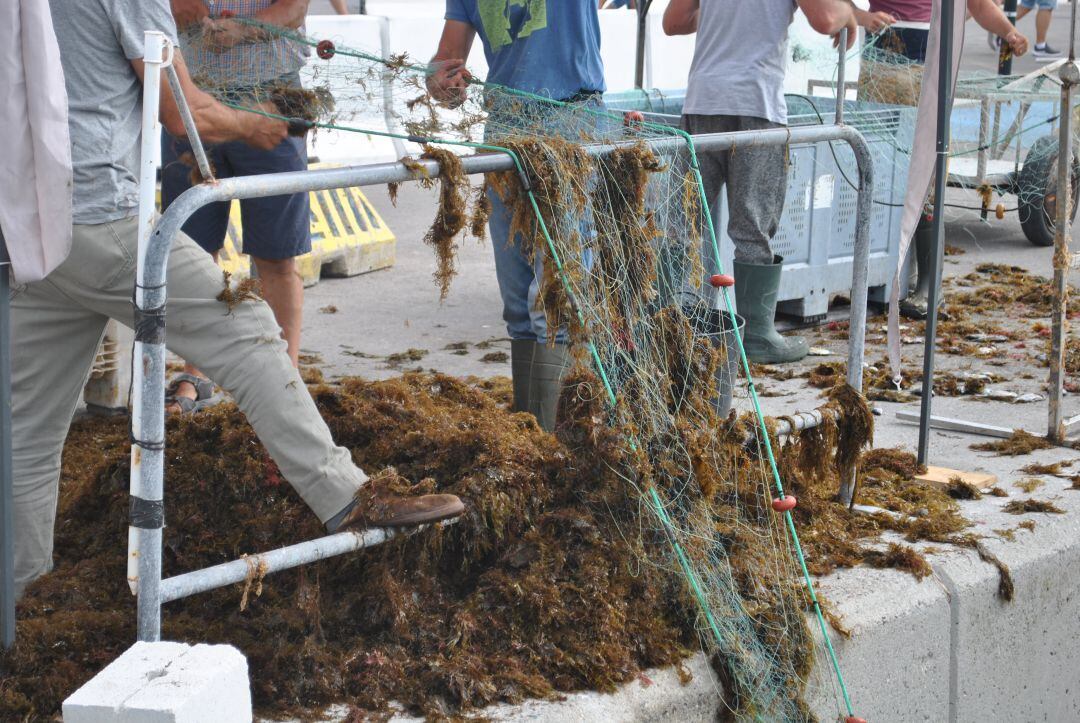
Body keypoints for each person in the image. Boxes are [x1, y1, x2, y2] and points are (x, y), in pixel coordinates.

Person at [12, 0, 463, 599]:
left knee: (25, 432)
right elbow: (183, 109)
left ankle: (18, 600)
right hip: (103, 218)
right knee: (246, 319)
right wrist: (258, 126)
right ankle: (347, 497)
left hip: (34, 222)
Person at [425, 0, 606, 431]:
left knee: (558, 294)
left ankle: (561, 435)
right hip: (503, 127)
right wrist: (440, 81)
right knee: (518, 297)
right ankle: (532, 430)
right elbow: (447, 56)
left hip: (570, 118)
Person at [662, 0, 857, 364]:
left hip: (704, 99)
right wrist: (850, 14)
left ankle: (659, 324)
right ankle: (755, 336)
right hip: (757, 103)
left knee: (682, 219)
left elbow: (673, 22)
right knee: (752, 224)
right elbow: (827, 18)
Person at [161, 0, 315, 413]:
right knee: (191, 253)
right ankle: (196, 375)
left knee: (277, 255)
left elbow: (295, 8)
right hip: (189, 95)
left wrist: (242, 29)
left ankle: (287, 385)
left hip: (273, 96)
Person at [856, 0, 1027, 318]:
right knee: (879, 172)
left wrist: (1010, 31)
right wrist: (859, 17)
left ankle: (928, 288)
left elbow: (976, 4)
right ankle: (880, 278)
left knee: (926, 178)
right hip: (879, 66)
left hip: (927, 67)